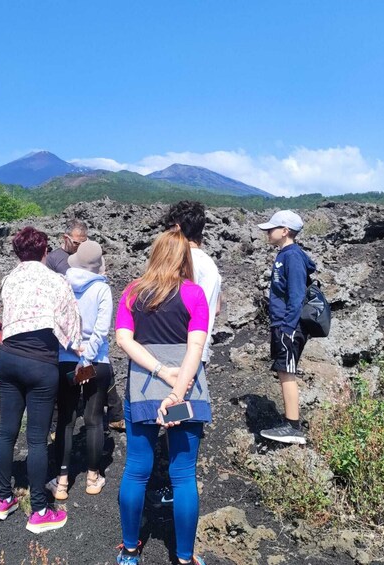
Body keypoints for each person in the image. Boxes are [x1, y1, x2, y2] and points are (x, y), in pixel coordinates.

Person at [115, 230, 210, 565]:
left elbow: (124, 340)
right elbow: (196, 348)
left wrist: (158, 370)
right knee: (183, 475)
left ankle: (129, 551)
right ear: (184, 258)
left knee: (136, 470)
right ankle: (184, 558)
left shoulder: (131, 292)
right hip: (188, 388)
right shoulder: (194, 294)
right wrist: (177, 391)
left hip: (142, 388)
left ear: (154, 255)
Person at [0, 226, 81, 533]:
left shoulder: (9, 279)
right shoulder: (57, 280)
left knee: (6, 432)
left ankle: (3, 500)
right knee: (36, 438)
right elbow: (72, 328)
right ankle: (40, 511)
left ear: (17, 252)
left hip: (7, 358)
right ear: (45, 251)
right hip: (40, 364)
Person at [148, 200, 222, 507]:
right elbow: (214, 308)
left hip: (177, 355)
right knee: (182, 421)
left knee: (171, 419)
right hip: (197, 354)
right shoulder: (212, 266)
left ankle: (172, 487)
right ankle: (176, 484)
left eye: (169, 228)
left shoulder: (182, 262)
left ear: (177, 229)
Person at [46, 240, 113, 500]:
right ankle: (93, 478)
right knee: (95, 420)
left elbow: (57, 322)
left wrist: (74, 349)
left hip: (65, 360)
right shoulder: (102, 289)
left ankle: (61, 482)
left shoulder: (62, 284)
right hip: (97, 361)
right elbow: (102, 327)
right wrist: (88, 353)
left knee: (65, 420)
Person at [46, 218, 125, 432]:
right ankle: (55, 425)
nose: (81, 246)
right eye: (77, 243)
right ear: (65, 238)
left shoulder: (88, 255)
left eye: (84, 242)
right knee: (63, 379)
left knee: (102, 371)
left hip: (89, 329)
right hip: (68, 333)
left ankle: (115, 414)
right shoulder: (53, 259)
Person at [257, 210, 316, 445]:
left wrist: (288, 327)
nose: (267, 232)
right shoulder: (285, 255)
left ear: (285, 231)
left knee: (287, 372)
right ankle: (290, 423)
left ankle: (293, 427)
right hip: (282, 324)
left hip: (288, 326)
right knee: (283, 371)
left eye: (272, 228)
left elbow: (297, 295)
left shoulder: (293, 256)